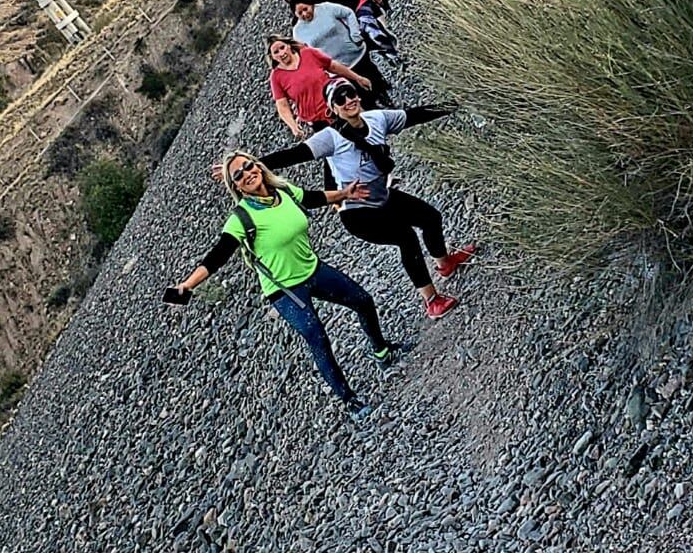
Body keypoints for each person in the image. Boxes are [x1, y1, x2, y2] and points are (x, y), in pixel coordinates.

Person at [168, 152, 397, 417]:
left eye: (248, 167)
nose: (247, 174)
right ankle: (349, 400)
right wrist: (187, 284)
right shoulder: (241, 219)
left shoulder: (284, 191)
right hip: (284, 291)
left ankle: (382, 352)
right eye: (238, 175)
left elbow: (312, 198)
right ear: (236, 187)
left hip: (312, 269)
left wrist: (345, 193)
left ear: (258, 166)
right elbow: (218, 255)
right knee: (318, 338)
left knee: (363, 301)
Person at [260, 79, 475, 319]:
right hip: (357, 212)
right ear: (333, 109)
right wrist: (250, 165)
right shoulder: (330, 137)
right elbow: (292, 155)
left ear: (357, 96)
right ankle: (432, 300)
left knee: (430, 217)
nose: (348, 100)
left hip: (382, 196)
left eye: (349, 93)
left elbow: (414, 115)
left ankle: (445, 264)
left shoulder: (377, 119)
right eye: (339, 99)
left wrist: (453, 105)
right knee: (407, 238)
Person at [284, 0, 391, 105]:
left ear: (310, 4)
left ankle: (387, 100)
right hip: (337, 67)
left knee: (374, 79)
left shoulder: (326, 8)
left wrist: (355, 33)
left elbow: (348, 13)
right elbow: (304, 53)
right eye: (300, 13)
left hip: (355, 53)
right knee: (359, 95)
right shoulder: (298, 31)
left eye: (306, 9)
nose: (304, 14)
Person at [266, 35, 372, 139]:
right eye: (276, 52)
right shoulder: (276, 77)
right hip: (318, 121)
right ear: (272, 57)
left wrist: (358, 78)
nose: (281, 53)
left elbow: (333, 66)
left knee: (366, 135)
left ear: (289, 46)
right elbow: (282, 105)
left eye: (282, 47)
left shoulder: (308, 53)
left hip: (338, 106)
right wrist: (293, 126)